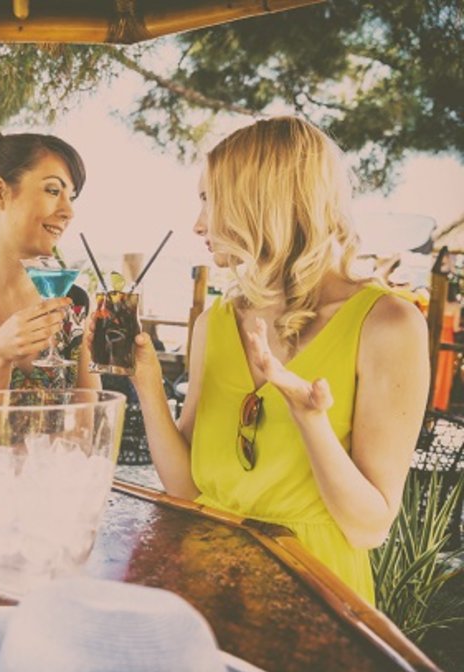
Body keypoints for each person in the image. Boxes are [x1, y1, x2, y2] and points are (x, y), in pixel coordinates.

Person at [130, 117, 428, 604]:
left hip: (313, 600)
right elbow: (186, 490)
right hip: (206, 587)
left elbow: (368, 527)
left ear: (262, 200)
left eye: (210, 198)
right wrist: (146, 380)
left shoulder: (387, 325)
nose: (198, 224)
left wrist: (310, 420)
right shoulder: (216, 322)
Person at [0, 128, 99, 392]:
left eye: (71, 197)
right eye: (53, 190)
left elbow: (89, 418)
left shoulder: (74, 303)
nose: (69, 212)